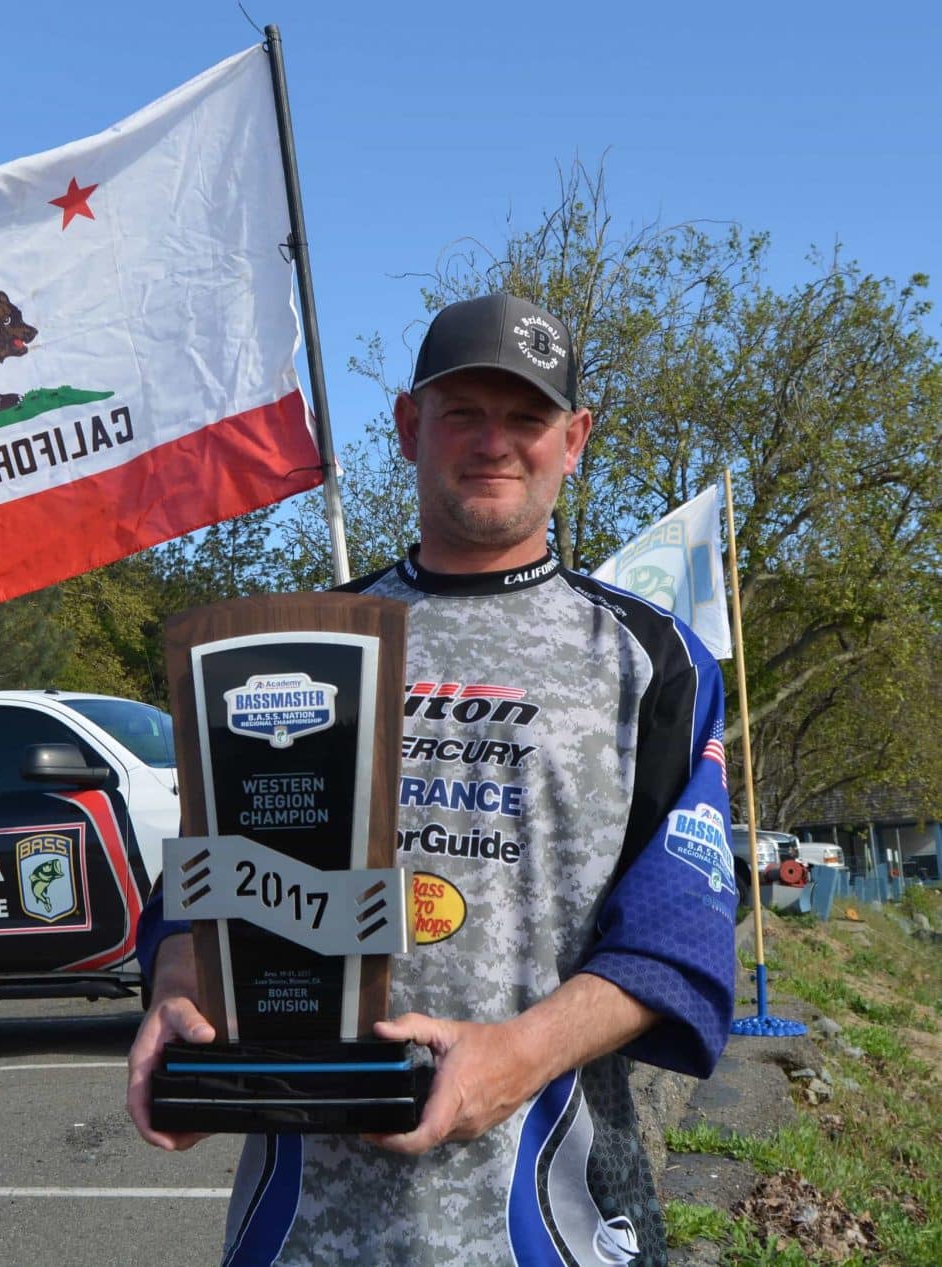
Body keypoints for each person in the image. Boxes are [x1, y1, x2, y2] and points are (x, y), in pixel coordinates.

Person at [127, 293, 737, 1267]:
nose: (495, 442)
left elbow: (678, 942)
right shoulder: (293, 647)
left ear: (574, 440)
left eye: (527, 417)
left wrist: (516, 1058)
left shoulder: (652, 663)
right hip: (302, 1232)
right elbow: (201, 893)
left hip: (544, 1226)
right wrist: (179, 991)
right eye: (464, 412)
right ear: (410, 427)